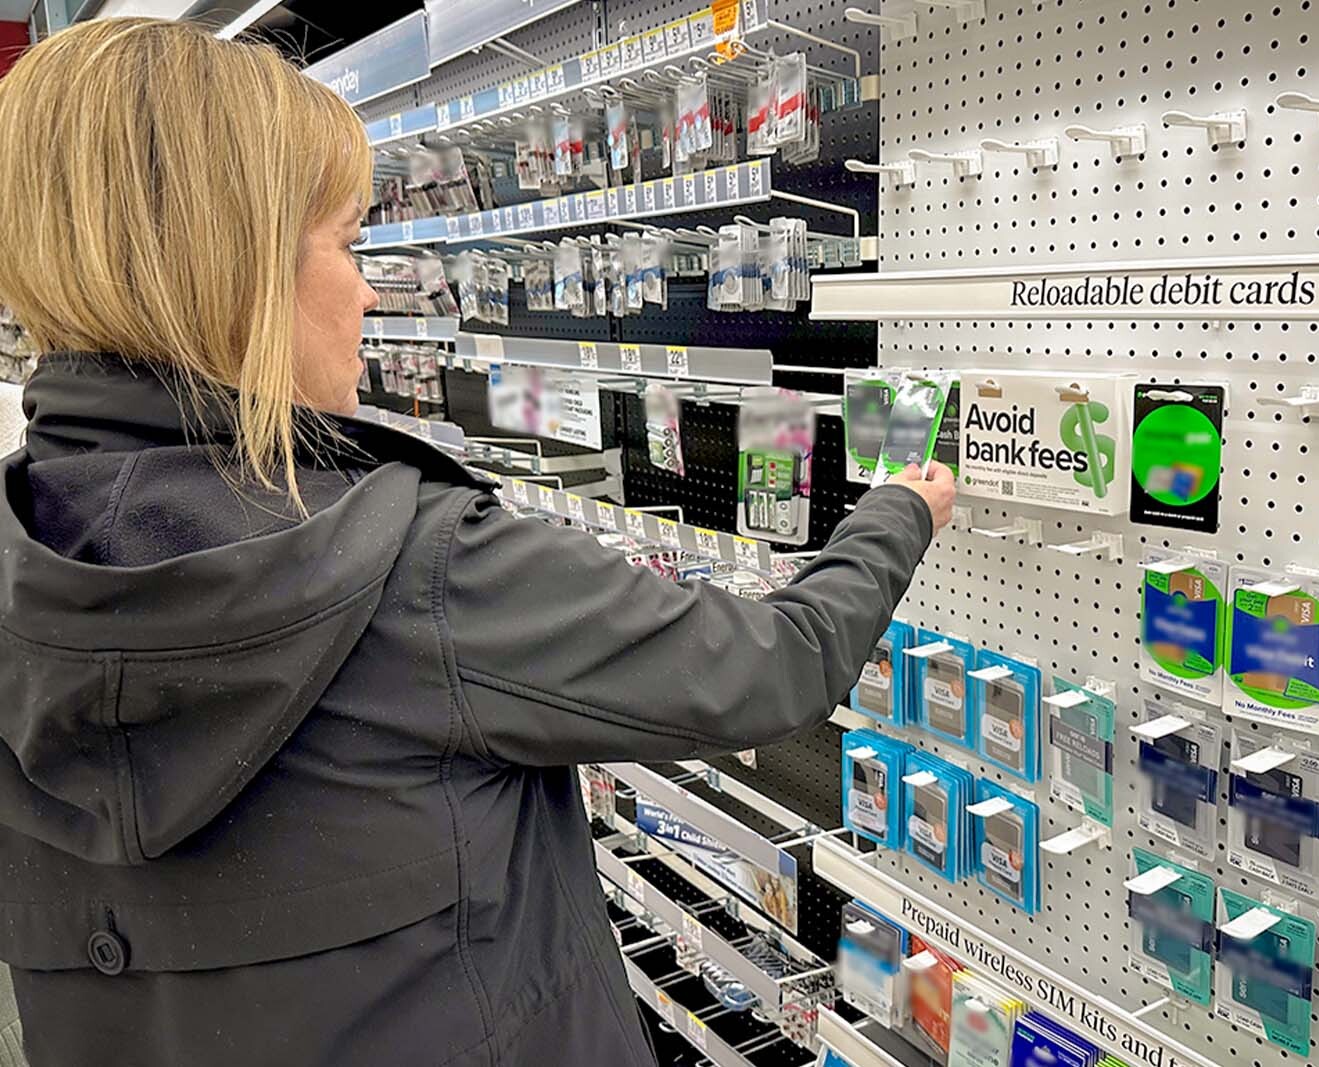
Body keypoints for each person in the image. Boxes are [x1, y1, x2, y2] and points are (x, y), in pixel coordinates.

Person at [0, 19, 955, 1067]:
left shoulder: (21, 565)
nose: (370, 291)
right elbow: (777, 666)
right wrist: (900, 507)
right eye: (349, 244)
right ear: (239, 267)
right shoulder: (416, 569)